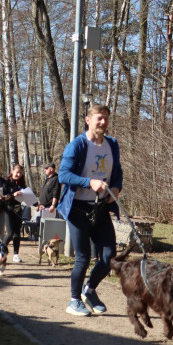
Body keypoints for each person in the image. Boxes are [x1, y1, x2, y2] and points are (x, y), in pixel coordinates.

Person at [59, 103, 122, 317]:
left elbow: (118, 173)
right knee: (83, 258)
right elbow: (64, 175)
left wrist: (116, 187)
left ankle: (89, 290)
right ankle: (74, 300)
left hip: (101, 208)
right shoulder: (77, 145)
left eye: (106, 118)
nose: (103, 122)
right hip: (78, 209)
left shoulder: (112, 144)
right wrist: (89, 182)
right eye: (99, 118)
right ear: (88, 120)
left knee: (109, 257)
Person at [6, 163, 29, 263]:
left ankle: (16, 254)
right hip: (8, 209)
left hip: (18, 210)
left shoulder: (21, 184)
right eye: (17, 172)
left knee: (17, 233)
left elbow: (28, 197)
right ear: (12, 172)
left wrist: (37, 205)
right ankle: (0, 250)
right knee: (10, 233)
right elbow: (3, 195)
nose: (18, 174)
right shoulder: (6, 182)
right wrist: (13, 194)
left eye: (20, 173)